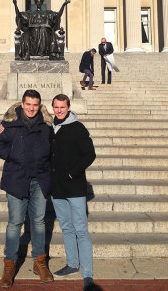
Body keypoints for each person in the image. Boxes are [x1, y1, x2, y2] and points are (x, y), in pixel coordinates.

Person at [0, 89, 54, 288]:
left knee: (39, 222)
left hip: (39, 180)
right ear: (22, 104)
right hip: (17, 179)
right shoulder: (10, 122)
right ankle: (9, 265)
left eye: (35, 105)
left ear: (39, 105)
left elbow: (53, 150)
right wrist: (13, 154)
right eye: (28, 104)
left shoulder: (46, 125)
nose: (32, 108)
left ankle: (39, 262)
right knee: (15, 223)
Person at [50, 94, 97, 291]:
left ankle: (87, 274)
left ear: (69, 107)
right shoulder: (50, 127)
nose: (59, 110)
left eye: (63, 107)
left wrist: (72, 172)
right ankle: (72, 263)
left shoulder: (78, 128)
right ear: (52, 107)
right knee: (67, 228)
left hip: (75, 187)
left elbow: (90, 154)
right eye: (56, 107)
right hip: (56, 188)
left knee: (81, 230)